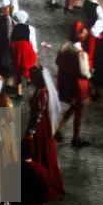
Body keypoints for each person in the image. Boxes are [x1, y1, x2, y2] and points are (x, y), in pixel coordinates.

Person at [25, 67, 63, 195]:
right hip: (40, 126)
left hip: (40, 128)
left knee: (39, 151)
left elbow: (39, 114)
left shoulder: (41, 94)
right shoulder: (41, 92)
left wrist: (31, 131)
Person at [55, 22, 92, 148]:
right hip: (79, 84)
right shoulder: (81, 53)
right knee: (79, 110)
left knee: (73, 107)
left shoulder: (64, 47)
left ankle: (60, 129)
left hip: (67, 82)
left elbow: (57, 61)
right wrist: (90, 75)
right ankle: (76, 137)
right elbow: (84, 72)